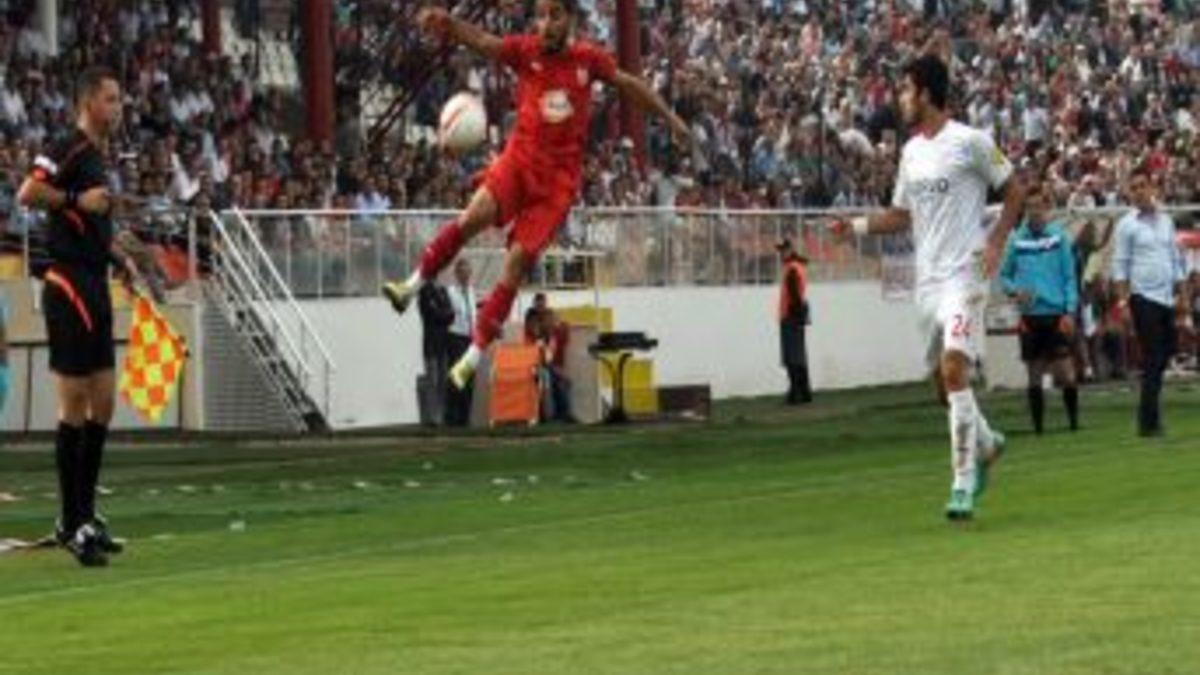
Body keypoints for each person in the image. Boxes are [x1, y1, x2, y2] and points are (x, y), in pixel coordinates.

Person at [381, 0, 691, 391]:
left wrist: (670, 118)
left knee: (515, 263)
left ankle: (472, 356)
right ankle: (410, 286)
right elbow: (484, 41)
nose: (545, 23)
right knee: (472, 218)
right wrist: (448, 23)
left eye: (554, 15)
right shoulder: (525, 51)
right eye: (541, 16)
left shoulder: (588, 59)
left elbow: (630, 84)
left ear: (569, 19)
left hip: (556, 185)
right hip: (518, 162)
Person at [834, 55, 1024, 521]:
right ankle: (985, 443)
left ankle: (962, 484)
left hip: (966, 274)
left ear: (925, 93)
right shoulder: (911, 152)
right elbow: (901, 215)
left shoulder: (971, 142)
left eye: (905, 90)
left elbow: (1015, 190)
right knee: (944, 385)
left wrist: (996, 241)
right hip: (929, 281)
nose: (900, 99)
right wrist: (854, 226)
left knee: (955, 368)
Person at [16, 66, 138, 566]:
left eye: (119, 99)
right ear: (88, 102)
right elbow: (28, 193)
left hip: (94, 281)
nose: (119, 107)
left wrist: (119, 257)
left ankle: (85, 514)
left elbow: (91, 221)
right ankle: (71, 523)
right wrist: (73, 199)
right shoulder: (66, 146)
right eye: (111, 99)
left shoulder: (97, 157)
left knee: (103, 403)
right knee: (74, 403)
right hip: (67, 284)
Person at [1110, 167, 1191, 437]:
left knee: (1165, 354)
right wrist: (1123, 304)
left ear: (1152, 188)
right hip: (1142, 297)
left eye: (1142, 186)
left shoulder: (1166, 221)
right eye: (1133, 188)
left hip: (1166, 297)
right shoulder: (1126, 225)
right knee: (1154, 356)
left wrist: (1183, 295)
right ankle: (1149, 422)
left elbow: (1175, 261)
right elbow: (1120, 267)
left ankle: (1149, 416)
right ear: (1129, 192)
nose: (1138, 192)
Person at [999, 182, 1080, 434]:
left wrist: (1069, 310)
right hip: (1030, 316)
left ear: (1047, 208)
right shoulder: (1016, 240)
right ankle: (1038, 430)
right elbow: (1004, 276)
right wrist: (1015, 291)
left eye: (1038, 206)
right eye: (1029, 207)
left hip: (1056, 314)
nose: (1034, 211)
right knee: (1034, 375)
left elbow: (1070, 276)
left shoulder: (1059, 237)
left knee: (1066, 374)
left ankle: (1073, 424)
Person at [775, 238, 811, 405]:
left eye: (783, 250)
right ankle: (804, 392)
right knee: (799, 356)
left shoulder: (791, 269)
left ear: (790, 250)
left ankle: (795, 393)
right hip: (796, 315)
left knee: (791, 357)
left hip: (790, 316)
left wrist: (793, 315)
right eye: (780, 251)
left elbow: (794, 294)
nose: (781, 254)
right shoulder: (798, 266)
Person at [417, 276, 454, 427]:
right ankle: (433, 416)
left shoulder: (443, 290)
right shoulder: (424, 291)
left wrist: (442, 312)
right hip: (431, 343)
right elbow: (432, 315)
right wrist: (444, 313)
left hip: (444, 342)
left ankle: (442, 414)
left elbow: (451, 315)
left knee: (443, 380)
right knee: (432, 380)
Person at [444, 258, 477, 426]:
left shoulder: (471, 290)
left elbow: (473, 314)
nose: (466, 275)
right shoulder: (450, 292)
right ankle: (452, 416)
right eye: (463, 272)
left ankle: (465, 417)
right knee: (457, 377)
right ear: (457, 274)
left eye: (468, 272)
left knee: (470, 377)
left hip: (471, 338)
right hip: (456, 337)